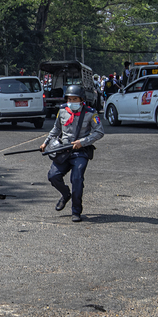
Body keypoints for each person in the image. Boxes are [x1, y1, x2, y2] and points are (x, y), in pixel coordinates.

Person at [39, 85, 104, 223]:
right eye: (70, 99)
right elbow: (56, 129)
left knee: (77, 179)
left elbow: (99, 132)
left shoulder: (91, 113)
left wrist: (83, 141)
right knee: (53, 176)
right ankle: (65, 194)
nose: (72, 101)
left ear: (82, 100)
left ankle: (76, 211)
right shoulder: (62, 111)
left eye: (75, 99)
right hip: (63, 150)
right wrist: (46, 142)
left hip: (80, 152)